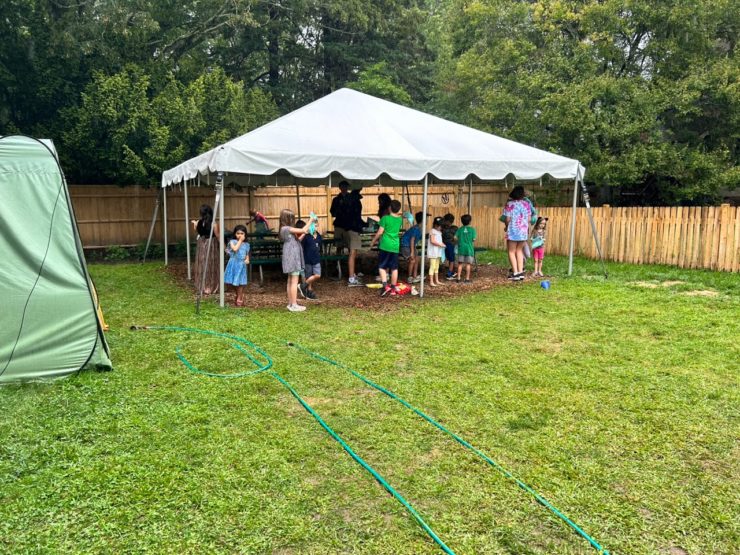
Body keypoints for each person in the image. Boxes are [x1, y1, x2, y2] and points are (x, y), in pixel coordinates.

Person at [279, 209, 315, 312]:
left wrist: (306, 233)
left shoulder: (286, 229)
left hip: (291, 256)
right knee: (294, 281)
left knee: (291, 280)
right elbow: (303, 230)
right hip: (292, 257)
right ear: (288, 219)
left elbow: (297, 240)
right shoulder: (286, 228)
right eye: (292, 218)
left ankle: (291, 303)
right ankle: (294, 304)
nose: (293, 220)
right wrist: (311, 220)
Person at [330, 181, 364, 286]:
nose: (344, 188)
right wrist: (339, 209)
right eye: (342, 186)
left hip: (349, 226)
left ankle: (351, 272)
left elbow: (357, 213)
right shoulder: (336, 199)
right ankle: (337, 267)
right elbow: (332, 212)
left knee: (351, 248)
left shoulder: (351, 198)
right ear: (339, 187)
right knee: (339, 247)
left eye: (346, 186)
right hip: (340, 225)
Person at [370, 199, 403, 296]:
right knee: (394, 268)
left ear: (389, 208)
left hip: (385, 245)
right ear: (398, 209)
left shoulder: (385, 218)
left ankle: (385, 286)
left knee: (382, 266)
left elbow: (380, 232)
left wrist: (373, 241)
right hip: (395, 246)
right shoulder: (400, 220)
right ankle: (393, 288)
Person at [503, 185, 532, 281]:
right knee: (519, 251)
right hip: (523, 231)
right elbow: (529, 219)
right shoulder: (526, 204)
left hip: (513, 231)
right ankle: (520, 273)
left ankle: (515, 273)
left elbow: (507, 219)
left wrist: (506, 226)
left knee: (511, 251)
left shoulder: (509, 204)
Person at [191, 204, 220, 295]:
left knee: (202, 264)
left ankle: (202, 286)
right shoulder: (214, 224)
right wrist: (224, 247)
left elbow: (197, 230)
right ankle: (211, 285)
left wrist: (195, 223)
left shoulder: (199, 222)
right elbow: (218, 236)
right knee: (211, 264)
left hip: (201, 244)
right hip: (211, 245)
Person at [224, 225, 250, 306]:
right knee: (234, 282)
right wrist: (240, 241)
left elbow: (246, 254)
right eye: (238, 233)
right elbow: (235, 249)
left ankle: (239, 297)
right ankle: (239, 295)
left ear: (245, 234)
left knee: (241, 282)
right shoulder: (232, 242)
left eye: (242, 233)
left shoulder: (246, 244)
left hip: (241, 265)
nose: (240, 235)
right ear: (235, 234)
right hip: (234, 264)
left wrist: (247, 259)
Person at [296, 219, 322, 300]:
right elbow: (299, 242)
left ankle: (302, 286)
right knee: (309, 275)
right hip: (307, 259)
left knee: (317, 275)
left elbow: (319, 246)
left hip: (316, 259)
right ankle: (308, 291)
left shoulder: (319, 236)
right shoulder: (306, 236)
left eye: (316, 226)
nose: (315, 227)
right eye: (313, 226)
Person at [401, 211, 423, 283]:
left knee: (417, 259)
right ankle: (409, 277)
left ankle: (415, 276)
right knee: (412, 260)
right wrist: (412, 252)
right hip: (405, 245)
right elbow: (412, 240)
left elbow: (418, 238)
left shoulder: (419, 228)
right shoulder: (416, 228)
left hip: (410, 245)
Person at [454, 214, 477, 284]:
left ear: (462, 221)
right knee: (468, 264)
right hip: (469, 249)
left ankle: (458, 278)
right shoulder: (472, 230)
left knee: (460, 264)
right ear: (470, 221)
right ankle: (467, 279)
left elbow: (455, 237)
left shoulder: (460, 229)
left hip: (461, 249)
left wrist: (459, 241)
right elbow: (474, 239)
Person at [426, 216, 445, 287]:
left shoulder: (439, 232)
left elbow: (439, 241)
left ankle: (436, 280)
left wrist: (442, 244)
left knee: (437, 267)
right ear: (436, 225)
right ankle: (431, 281)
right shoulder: (432, 231)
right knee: (432, 266)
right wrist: (440, 244)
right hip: (433, 252)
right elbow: (432, 241)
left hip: (438, 252)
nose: (441, 228)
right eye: (440, 226)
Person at [442, 213, 458, 280]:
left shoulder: (444, 228)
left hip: (449, 245)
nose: (444, 221)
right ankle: (450, 273)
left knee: (451, 259)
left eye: (445, 220)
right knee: (451, 259)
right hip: (448, 245)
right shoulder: (454, 228)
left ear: (448, 221)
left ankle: (450, 272)